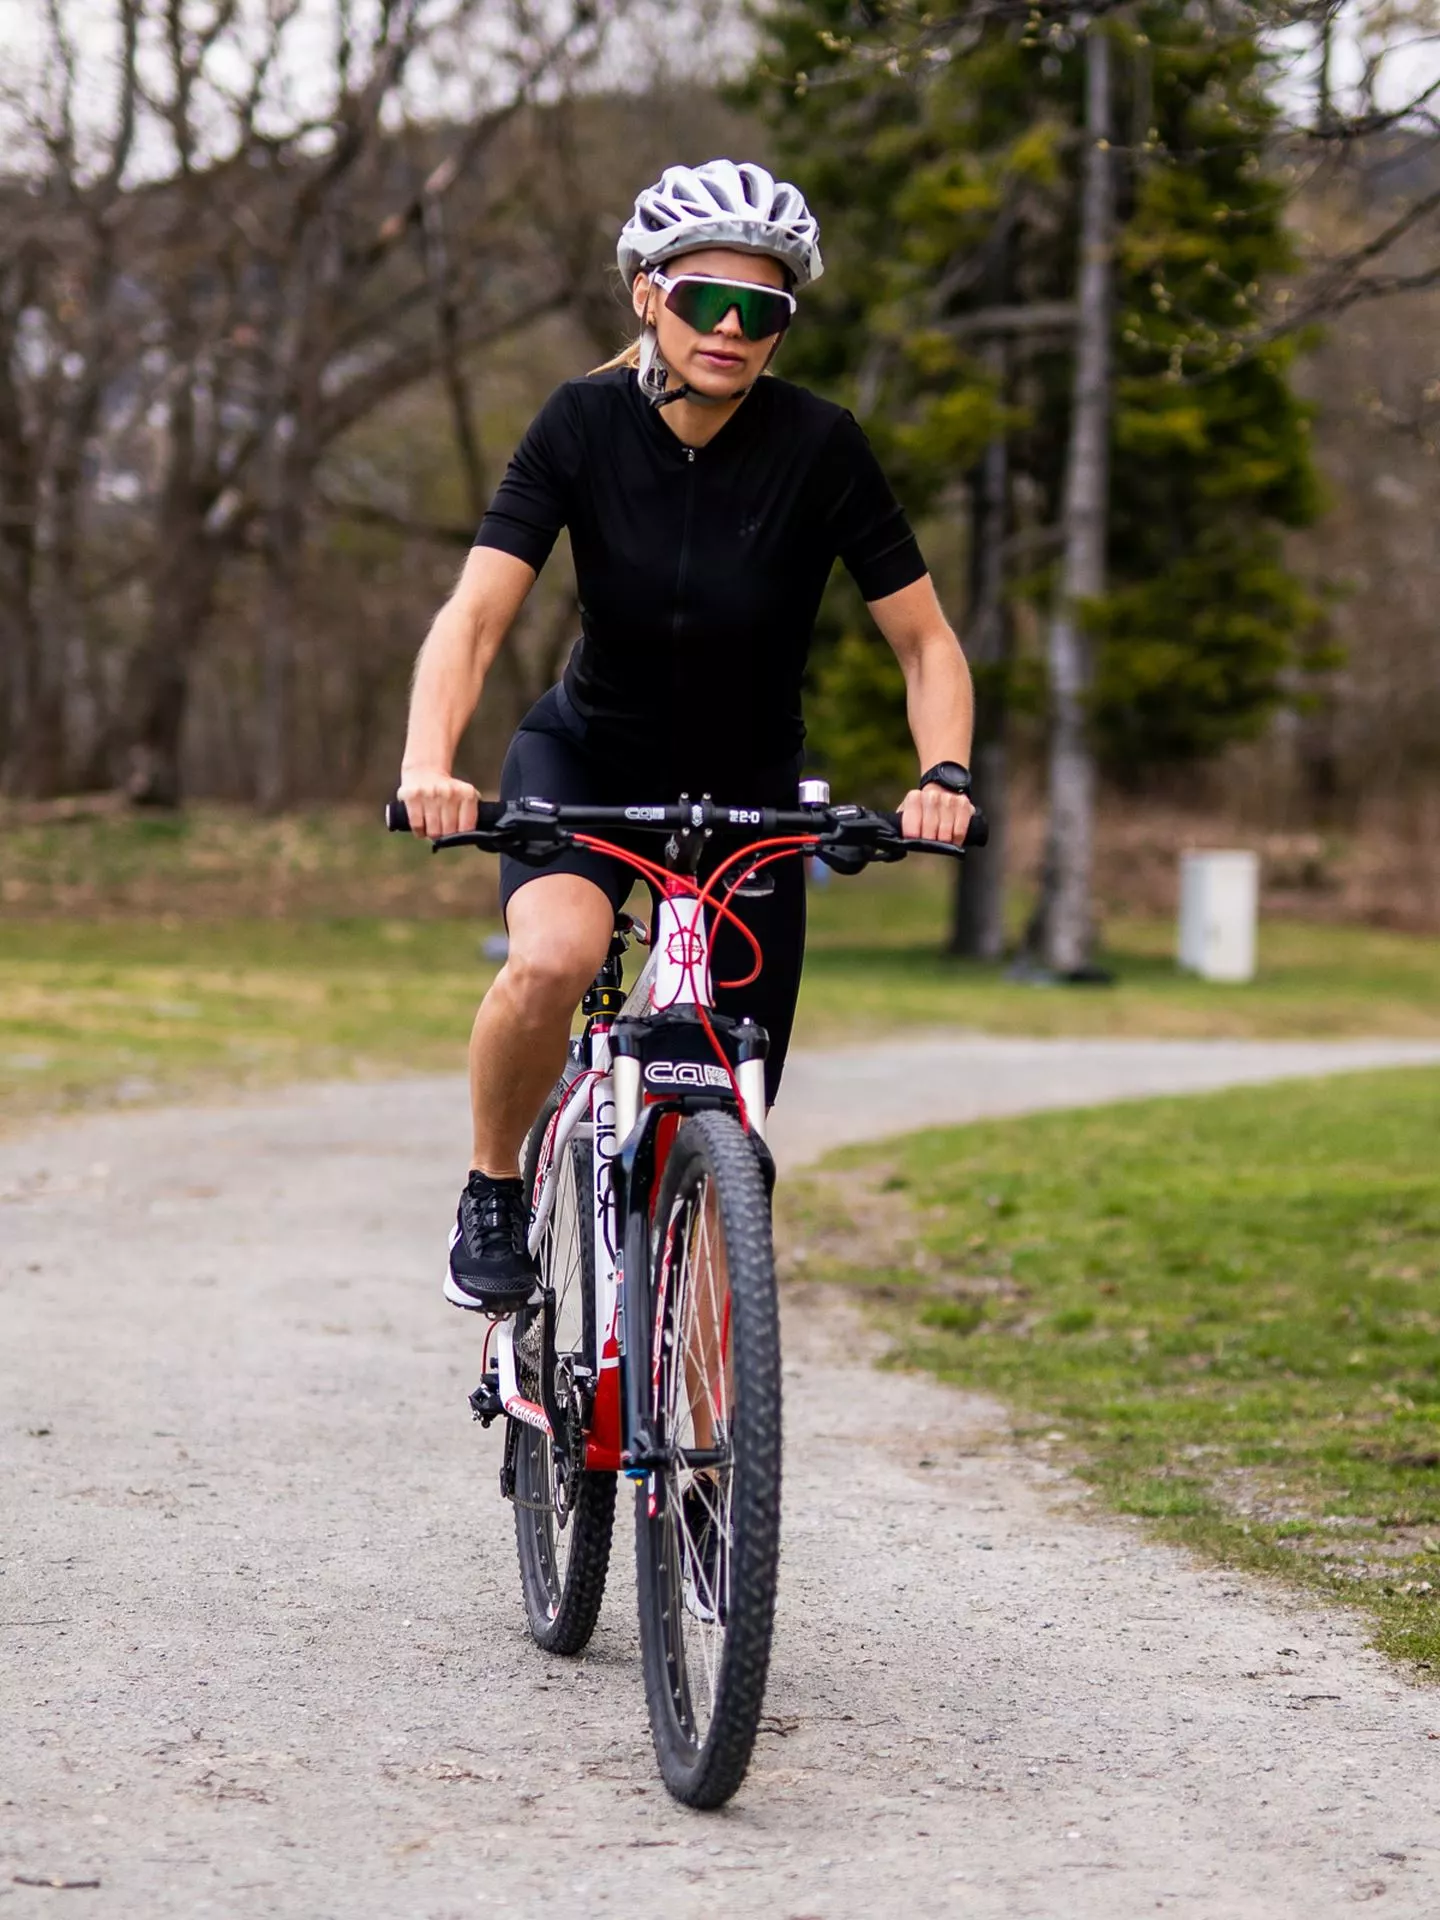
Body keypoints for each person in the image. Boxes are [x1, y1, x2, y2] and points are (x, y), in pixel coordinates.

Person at [397, 159, 976, 1315]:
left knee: (731, 1124)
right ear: (646, 294)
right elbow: (474, 619)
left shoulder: (821, 446)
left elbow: (925, 644)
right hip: (588, 765)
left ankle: (703, 1401)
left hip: (747, 793)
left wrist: (944, 775)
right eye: (706, 298)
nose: (731, 329)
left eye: (762, 310)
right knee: (556, 958)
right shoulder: (580, 424)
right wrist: (428, 764)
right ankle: (494, 1185)